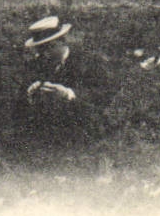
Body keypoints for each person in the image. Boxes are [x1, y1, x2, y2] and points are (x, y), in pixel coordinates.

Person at [12, 15, 102, 146]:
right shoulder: (38, 63)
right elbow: (21, 102)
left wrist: (68, 93)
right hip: (48, 132)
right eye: (40, 50)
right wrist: (30, 91)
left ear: (62, 42)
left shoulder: (89, 61)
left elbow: (101, 94)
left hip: (83, 126)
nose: (44, 54)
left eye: (48, 48)